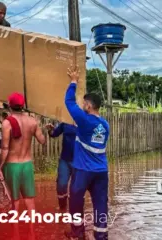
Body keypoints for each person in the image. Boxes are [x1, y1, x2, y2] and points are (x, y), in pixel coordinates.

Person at [65, 66, 110, 240]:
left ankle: (78, 235)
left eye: (84, 103)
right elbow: (87, 137)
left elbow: (69, 102)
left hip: (83, 170)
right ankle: (101, 236)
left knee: (76, 202)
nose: (82, 105)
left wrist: (73, 81)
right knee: (100, 205)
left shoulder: (85, 120)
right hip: (101, 171)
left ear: (89, 106)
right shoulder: (104, 125)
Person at [0, 92, 46, 240]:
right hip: (27, 165)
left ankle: (15, 234)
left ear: (9, 106)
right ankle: (32, 233)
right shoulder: (33, 121)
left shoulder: (7, 123)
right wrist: (46, 130)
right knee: (30, 201)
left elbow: (4, 149)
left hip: (12, 166)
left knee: (15, 201)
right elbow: (42, 141)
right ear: (23, 106)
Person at [45, 122, 76, 211]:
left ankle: (75, 209)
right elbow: (54, 134)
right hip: (65, 160)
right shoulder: (65, 122)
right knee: (61, 185)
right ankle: (62, 208)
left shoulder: (83, 120)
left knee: (76, 188)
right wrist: (50, 130)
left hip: (79, 161)